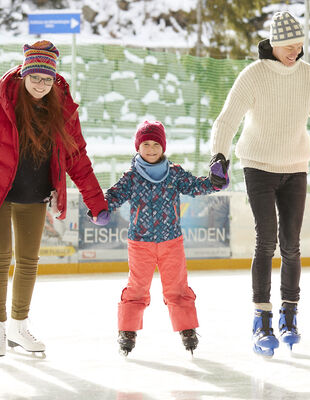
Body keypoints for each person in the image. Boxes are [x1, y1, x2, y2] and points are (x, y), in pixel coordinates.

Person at [208, 11, 310, 357]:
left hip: (295, 167)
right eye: (290, 46)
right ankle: (261, 318)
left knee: (291, 244)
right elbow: (228, 117)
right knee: (266, 240)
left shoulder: (308, 76)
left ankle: (289, 316)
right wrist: (219, 156)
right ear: (275, 44)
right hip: (258, 166)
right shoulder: (254, 75)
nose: (296, 52)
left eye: (300, 46)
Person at [0, 41, 109, 356]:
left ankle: (19, 327)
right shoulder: (4, 99)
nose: (40, 85)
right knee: (0, 257)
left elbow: (78, 158)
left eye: (47, 79)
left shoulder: (62, 108)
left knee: (29, 261)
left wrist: (96, 203)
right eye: (35, 77)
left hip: (34, 194)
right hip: (2, 192)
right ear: (24, 74)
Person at [100, 120, 228, 356]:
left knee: (177, 287)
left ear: (163, 147)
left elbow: (195, 186)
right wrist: (99, 208)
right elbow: (114, 195)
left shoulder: (174, 173)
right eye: (145, 144)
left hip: (171, 241)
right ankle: (127, 331)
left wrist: (215, 182)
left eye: (155, 144)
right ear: (138, 147)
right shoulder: (131, 177)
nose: (150, 149)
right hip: (140, 243)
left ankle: (187, 328)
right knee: (137, 287)